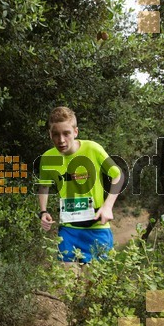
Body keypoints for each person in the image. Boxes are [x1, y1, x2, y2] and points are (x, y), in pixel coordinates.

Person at [36, 107, 122, 265]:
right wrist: (43, 211)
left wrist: (108, 206)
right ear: (50, 134)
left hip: (97, 227)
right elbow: (44, 186)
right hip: (68, 229)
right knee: (67, 284)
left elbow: (118, 175)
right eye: (56, 134)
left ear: (75, 132)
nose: (61, 140)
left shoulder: (93, 149)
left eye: (66, 133)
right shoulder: (48, 158)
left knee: (95, 286)